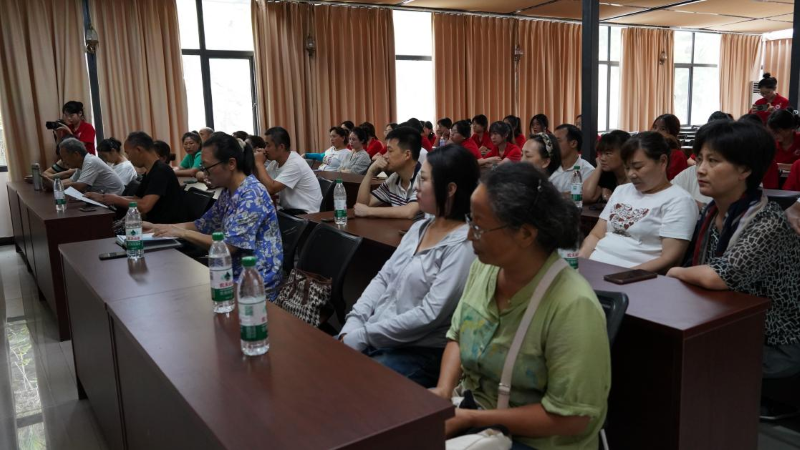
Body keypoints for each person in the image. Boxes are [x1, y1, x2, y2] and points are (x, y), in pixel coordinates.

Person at [432, 163, 610, 450]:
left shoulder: (573, 305)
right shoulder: (484, 268)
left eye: (479, 227)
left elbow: (572, 419)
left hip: (536, 441)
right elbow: (457, 336)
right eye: (470, 222)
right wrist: (443, 391)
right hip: (474, 416)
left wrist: (470, 418)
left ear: (526, 234)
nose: (469, 236)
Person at [666, 120, 800, 384]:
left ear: (745, 170)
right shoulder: (712, 211)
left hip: (775, 340)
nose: (700, 169)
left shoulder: (767, 221)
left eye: (713, 161)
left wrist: (674, 271)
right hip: (726, 321)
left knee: (681, 362)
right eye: (700, 159)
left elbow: (719, 276)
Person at [339, 145, 479, 387]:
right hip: (377, 334)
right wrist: (354, 322)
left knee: (352, 384)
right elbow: (383, 278)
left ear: (450, 189)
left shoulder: (463, 245)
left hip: (418, 351)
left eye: (423, 180)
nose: (416, 187)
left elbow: (429, 314)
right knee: (325, 363)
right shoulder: (419, 228)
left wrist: (364, 336)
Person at [147, 132, 283, 297]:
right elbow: (201, 225)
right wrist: (157, 227)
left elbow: (228, 246)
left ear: (231, 164)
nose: (204, 173)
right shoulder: (229, 191)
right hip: (231, 272)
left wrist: (182, 232)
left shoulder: (252, 195)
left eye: (207, 167)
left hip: (254, 282)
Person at [579, 132, 698, 272]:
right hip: (595, 268)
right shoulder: (621, 191)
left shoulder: (679, 200)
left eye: (638, 167)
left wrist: (622, 276)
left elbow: (669, 259)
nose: (631, 174)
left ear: (662, 161)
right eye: (627, 168)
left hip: (633, 278)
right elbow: (596, 235)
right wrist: (579, 262)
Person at [86, 131, 189, 224]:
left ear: (138, 150)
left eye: (128, 153)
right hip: (155, 225)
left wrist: (116, 199)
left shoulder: (161, 171)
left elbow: (144, 206)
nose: (128, 158)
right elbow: (136, 198)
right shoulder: (150, 171)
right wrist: (104, 197)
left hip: (167, 228)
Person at [355, 126, 422, 219]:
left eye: (390, 151)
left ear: (407, 154)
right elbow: (361, 206)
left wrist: (368, 211)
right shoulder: (393, 179)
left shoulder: (425, 178)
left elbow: (409, 212)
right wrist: (370, 172)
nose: (385, 156)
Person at [254, 127, 323, 215]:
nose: (265, 149)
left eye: (268, 145)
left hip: (305, 214)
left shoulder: (295, 163)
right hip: (289, 211)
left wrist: (259, 163)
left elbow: (272, 188)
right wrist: (255, 163)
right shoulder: (275, 163)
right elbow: (259, 183)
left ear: (281, 147)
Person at [46, 138, 124, 194]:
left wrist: (55, 185)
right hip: (104, 199)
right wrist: (54, 183)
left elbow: (79, 186)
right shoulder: (82, 163)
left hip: (114, 205)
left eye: (64, 157)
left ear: (76, 154)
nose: (63, 161)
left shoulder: (91, 162)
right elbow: (72, 181)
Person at [582, 130, 631, 204]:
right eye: (600, 154)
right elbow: (585, 196)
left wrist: (612, 198)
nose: (602, 158)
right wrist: (599, 167)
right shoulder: (608, 175)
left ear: (624, 153)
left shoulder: (635, 176)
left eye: (608, 153)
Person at [549, 124, 595, 194]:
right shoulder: (549, 167)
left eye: (558, 141)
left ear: (573, 143)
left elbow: (582, 196)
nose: (553, 145)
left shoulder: (587, 171)